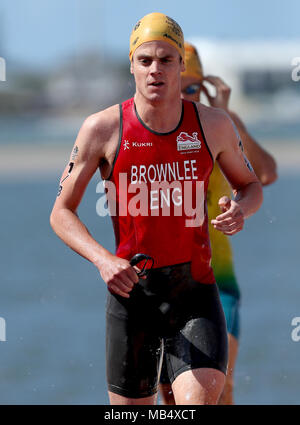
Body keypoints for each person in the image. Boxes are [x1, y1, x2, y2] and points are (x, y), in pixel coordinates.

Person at [50, 12, 263, 405]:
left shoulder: (212, 125)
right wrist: (102, 260)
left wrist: (240, 209)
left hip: (194, 292)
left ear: (181, 66)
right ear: (131, 64)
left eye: (166, 60)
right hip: (132, 296)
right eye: (145, 60)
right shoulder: (102, 129)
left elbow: (251, 185)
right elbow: (61, 212)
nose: (155, 70)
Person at [159, 42, 277, 405]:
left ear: (205, 89)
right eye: (178, 86)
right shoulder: (149, 134)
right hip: (161, 285)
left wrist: (228, 114)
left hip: (216, 281)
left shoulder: (216, 132)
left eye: (193, 88)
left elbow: (266, 173)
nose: (186, 96)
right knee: (170, 397)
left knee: (217, 387)